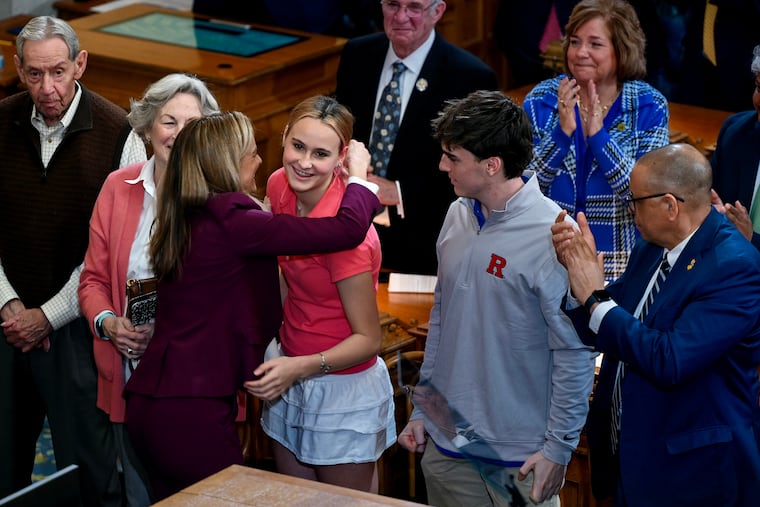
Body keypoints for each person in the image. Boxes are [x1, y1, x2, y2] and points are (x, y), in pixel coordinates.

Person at [123, 111, 383, 500]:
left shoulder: (194, 207)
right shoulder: (236, 221)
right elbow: (345, 230)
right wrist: (361, 177)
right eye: (251, 154)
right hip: (190, 413)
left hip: (157, 403)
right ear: (229, 163)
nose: (261, 161)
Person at [397, 90, 595, 506]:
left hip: (521, 459)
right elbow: (442, 322)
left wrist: (558, 448)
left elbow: (574, 353)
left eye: (453, 157)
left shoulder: (554, 237)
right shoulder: (456, 215)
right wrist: (422, 410)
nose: (442, 165)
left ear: (491, 165)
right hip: (448, 449)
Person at [552, 143, 760, 506]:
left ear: (669, 205)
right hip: (627, 459)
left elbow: (670, 360)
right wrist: (578, 279)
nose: (628, 208)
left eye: (635, 200)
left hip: (692, 476)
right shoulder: (651, 247)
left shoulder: (735, 267)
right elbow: (605, 322)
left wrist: (595, 298)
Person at [0, 16, 147, 506]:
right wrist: (11, 308)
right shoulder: (0, 121)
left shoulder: (121, 134)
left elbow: (111, 251)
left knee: (91, 478)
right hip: (5, 325)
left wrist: (48, 317)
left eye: (59, 72)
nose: (48, 87)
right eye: (36, 74)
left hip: (80, 335)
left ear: (80, 63)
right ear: (19, 70)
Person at [78, 73, 221, 505]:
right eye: (168, 122)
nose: (178, 134)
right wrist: (108, 324)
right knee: (139, 494)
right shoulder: (117, 187)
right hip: (129, 379)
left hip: (196, 387)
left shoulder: (221, 198)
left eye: (191, 124)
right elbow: (93, 280)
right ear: (146, 127)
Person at [245, 96, 395, 493]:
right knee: (296, 499)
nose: (304, 162)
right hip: (289, 364)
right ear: (283, 138)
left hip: (339, 385)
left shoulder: (351, 237)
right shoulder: (279, 184)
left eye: (321, 153)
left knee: (343, 504)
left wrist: (300, 367)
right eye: (298, 146)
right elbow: (284, 274)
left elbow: (368, 340)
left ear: (342, 157)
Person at [335, 0, 499, 275]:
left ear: (437, 11)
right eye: (393, 5)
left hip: (423, 243)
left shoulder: (470, 77)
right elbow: (341, 132)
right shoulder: (357, 54)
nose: (401, 17)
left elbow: (474, 172)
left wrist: (398, 192)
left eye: (414, 7)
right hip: (351, 226)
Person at [523, 0, 670, 281]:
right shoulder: (541, 100)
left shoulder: (649, 106)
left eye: (595, 44)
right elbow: (523, 191)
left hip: (619, 265)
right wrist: (561, 136)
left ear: (621, 50)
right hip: (545, 259)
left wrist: (599, 139)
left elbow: (647, 198)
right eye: (575, 42)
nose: (580, 53)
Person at [710, 44, 760, 248]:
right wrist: (714, 216)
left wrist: (751, 239)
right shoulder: (736, 132)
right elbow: (710, 200)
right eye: (759, 87)